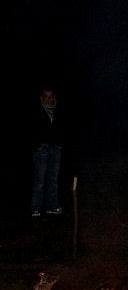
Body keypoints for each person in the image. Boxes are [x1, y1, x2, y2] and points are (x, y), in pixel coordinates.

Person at [31, 86, 66, 217]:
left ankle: (52, 206)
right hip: (42, 149)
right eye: (46, 96)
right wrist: (36, 146)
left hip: (55, 149)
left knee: (53, 180)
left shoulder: (58, 111)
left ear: (54, 97)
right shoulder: (36, 111)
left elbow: (64, 128)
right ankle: (36, 208)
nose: (48, 99)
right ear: (41, 98)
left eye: (50, 96)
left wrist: (60, 144)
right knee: (39, 180)